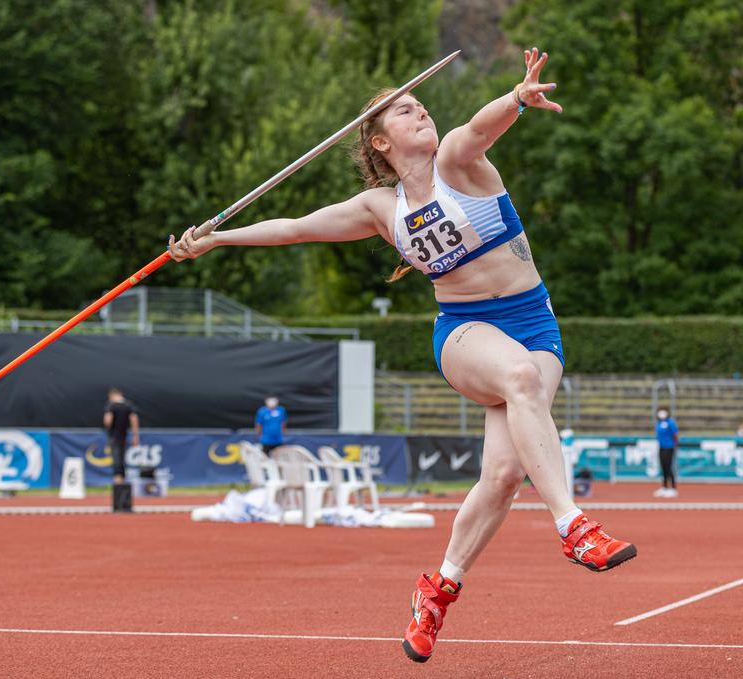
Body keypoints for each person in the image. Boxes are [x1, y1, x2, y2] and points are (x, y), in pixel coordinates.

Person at [169, 47, 636, 663]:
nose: (419, 112)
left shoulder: (457, 163)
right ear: (381, 143)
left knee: (501, 475)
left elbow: (480, 125)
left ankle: (437, 589)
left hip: (535, 326)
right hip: (467, 333)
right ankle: (574, 526)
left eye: (420, 104)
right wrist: (215, 238)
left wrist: (517, 99)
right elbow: (293, 227)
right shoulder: (381, 210)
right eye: (403, 112)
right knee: (519, 380)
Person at [103, 387, 140, 484]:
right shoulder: (128, 405)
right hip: (124, 435)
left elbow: (108, 421)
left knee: (116, 457)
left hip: (114, 436)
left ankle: (118, 480)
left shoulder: (111, 405)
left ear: (112, 395)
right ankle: (122, 480)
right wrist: (135, 436)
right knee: (122, 458)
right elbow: (134, 419)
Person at [653, 406, 679, 498]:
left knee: (669, 468)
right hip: (661, 447)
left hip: (669, 447)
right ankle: (664, 487)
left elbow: (675, 434)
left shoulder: (670, 423)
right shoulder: (658, 423)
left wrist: (676, 444)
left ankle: (673, 488)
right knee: (663, 468)